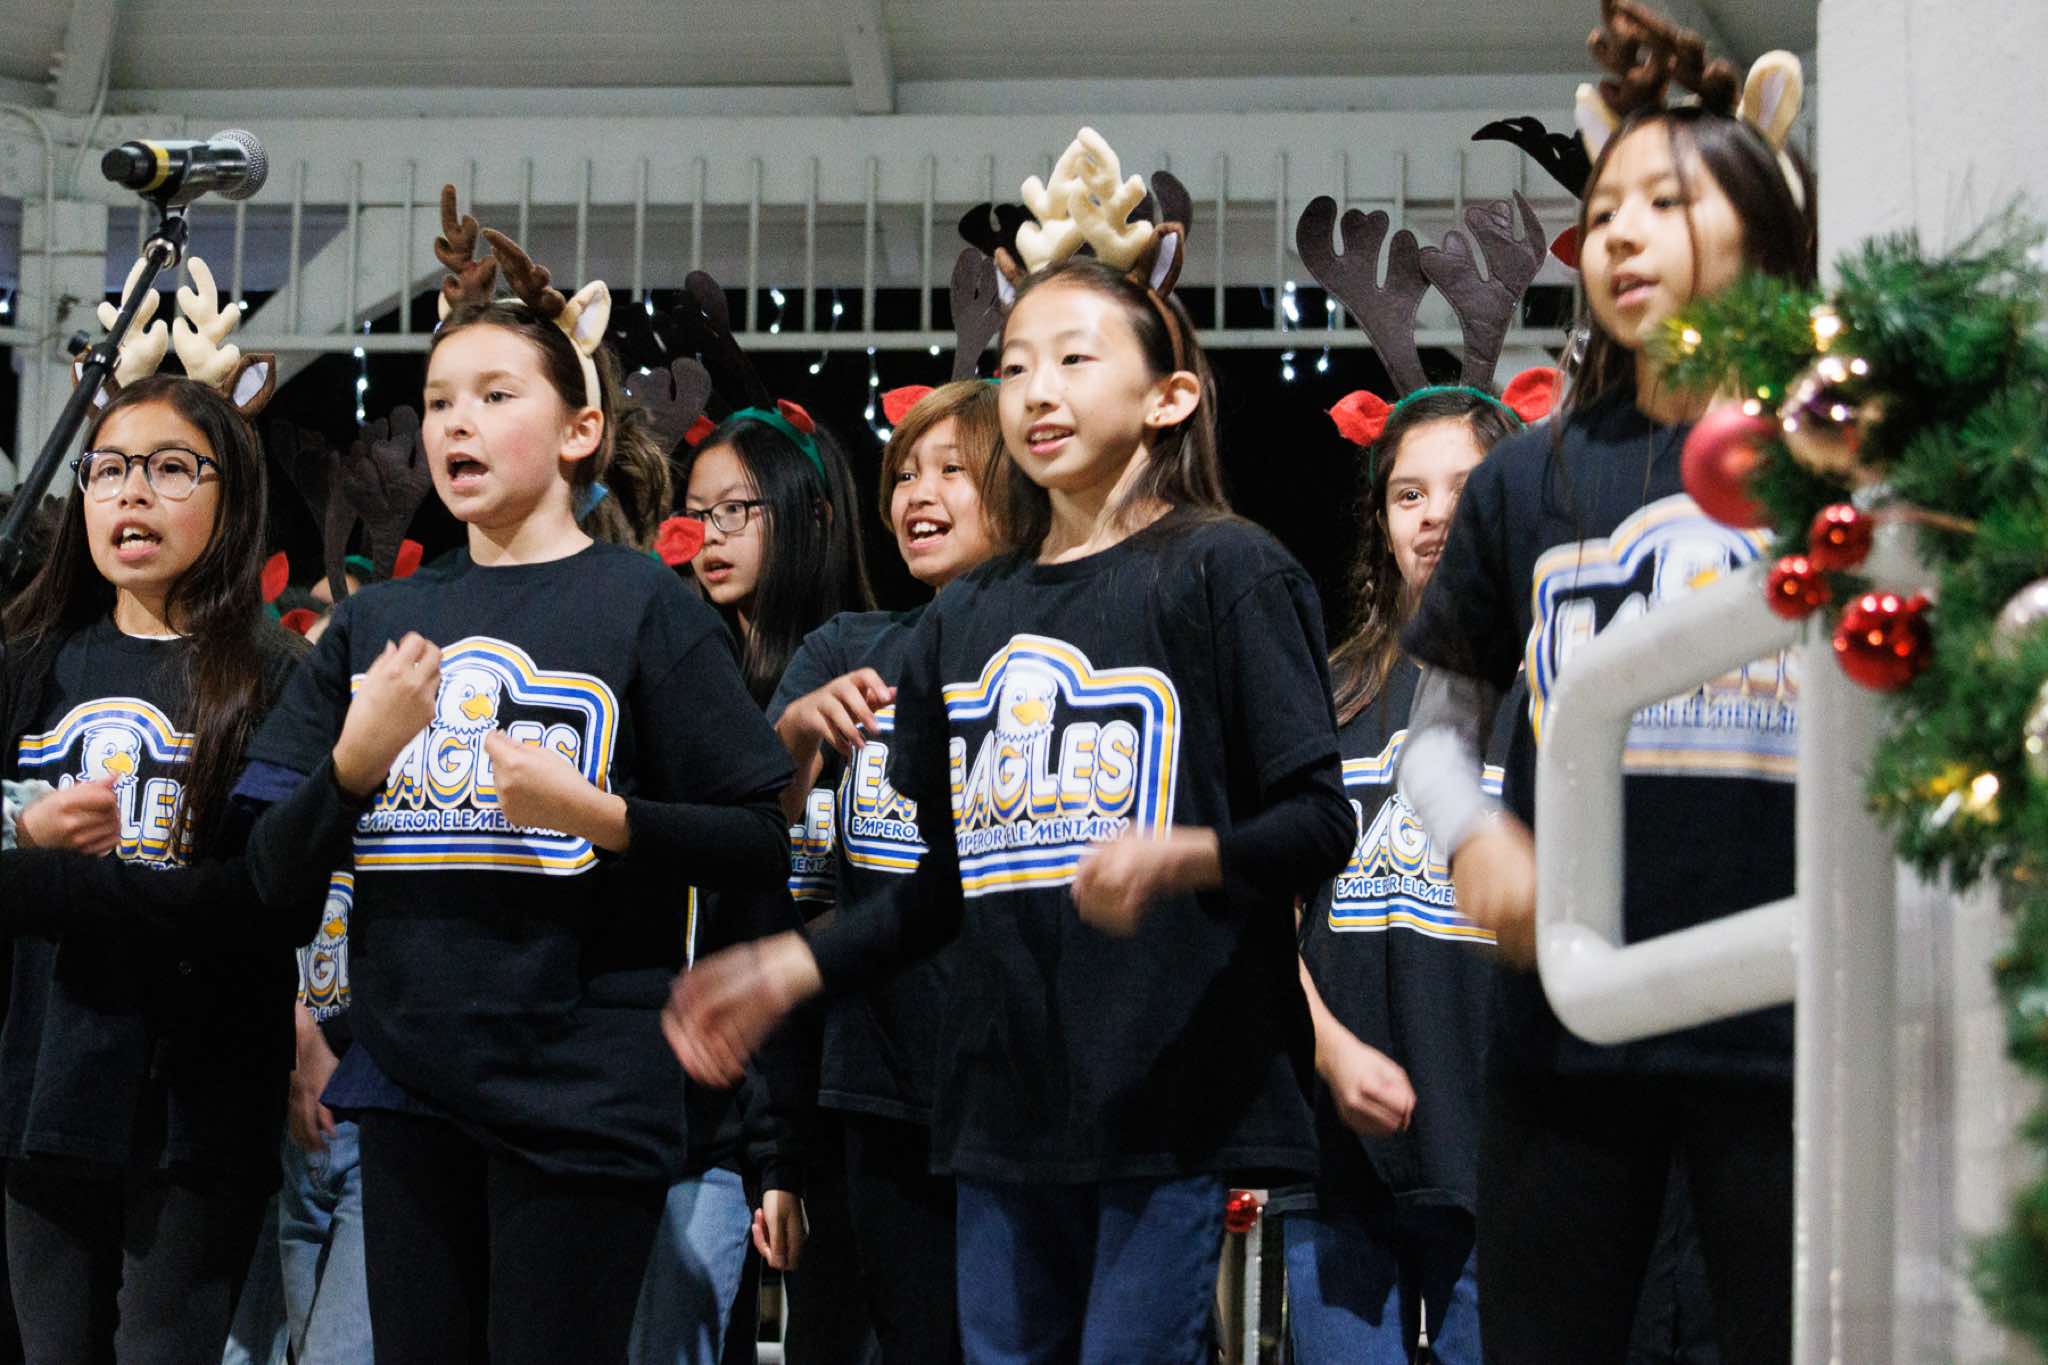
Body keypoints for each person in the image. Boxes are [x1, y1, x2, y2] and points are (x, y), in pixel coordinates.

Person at [668, 128, 1354, 1365]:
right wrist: (792, 967)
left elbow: (1318, 820)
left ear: (1168, 396)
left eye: (1074, 360)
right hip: (994, 1107)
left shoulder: (1226, 570)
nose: (1035, 391)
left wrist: (1187, 855)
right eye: (1016, 365)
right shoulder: (963, 619)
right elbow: (937, 891)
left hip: (1168, 1100)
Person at [236, 203, 794, 1364]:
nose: (457, 422)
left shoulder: (642, 605)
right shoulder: (377, 622)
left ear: (581, 428)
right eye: (439, 400)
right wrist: (352, 765)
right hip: (406, 1095)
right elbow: (266, 879)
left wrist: (600, 818)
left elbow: (754, 838)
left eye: (496, 395)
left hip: (584, 1094)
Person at [1394, 28, 1817, 1362]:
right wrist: (1475, 834)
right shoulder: (1529, 477)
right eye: (1607, 206)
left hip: (1789, 1024)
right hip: (1568, 1030)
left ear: (1767, 223)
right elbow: (1437, 728)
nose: (1622, 233)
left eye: (1668, 202)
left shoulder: (1838, 463)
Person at [1, 366, 304, 1362]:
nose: (132, 491)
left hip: (196, 1106)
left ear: (231, 497)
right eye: (110, 468)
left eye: (171, 468)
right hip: (38, 1088)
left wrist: (50, 881)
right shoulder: (26, 662)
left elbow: (263, 896)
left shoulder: (274, 676)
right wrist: (29, 841)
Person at [1278, 387, 1527, 1364]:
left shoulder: (1561, 685)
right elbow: (1264, 912)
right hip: (1340, 1160)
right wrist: (1332, 1051)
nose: (1433, 517)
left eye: (1464, 489)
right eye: (1408, 495)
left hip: (1506, 1147)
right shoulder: (1328, 690)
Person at [764, 380, 1006, 1363]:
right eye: (904, 474)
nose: (918, 493)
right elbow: (754, 821)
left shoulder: (1058, 650)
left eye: (952, 469)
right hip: (880, 1081)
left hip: (1020, 1081)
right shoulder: (849, 647)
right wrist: (795, 731)